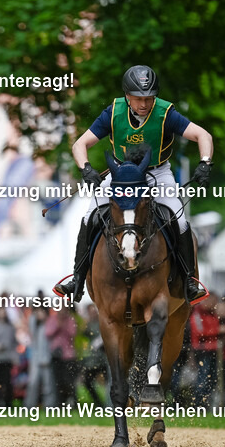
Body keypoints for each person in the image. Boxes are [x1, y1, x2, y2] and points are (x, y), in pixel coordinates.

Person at [54, 65, 213, 304]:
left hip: (157, 174)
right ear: (127, 97)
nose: (144, 104)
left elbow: (204, 136)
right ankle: (77, 278)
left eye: (149, 98)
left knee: (180, 221)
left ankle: (189, 280)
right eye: (139, 98)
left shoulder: (165, 113)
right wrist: (86, 169)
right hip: (122, 176)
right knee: (89, 217)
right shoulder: (113, 112)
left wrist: (205, 162)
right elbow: (79, 145)